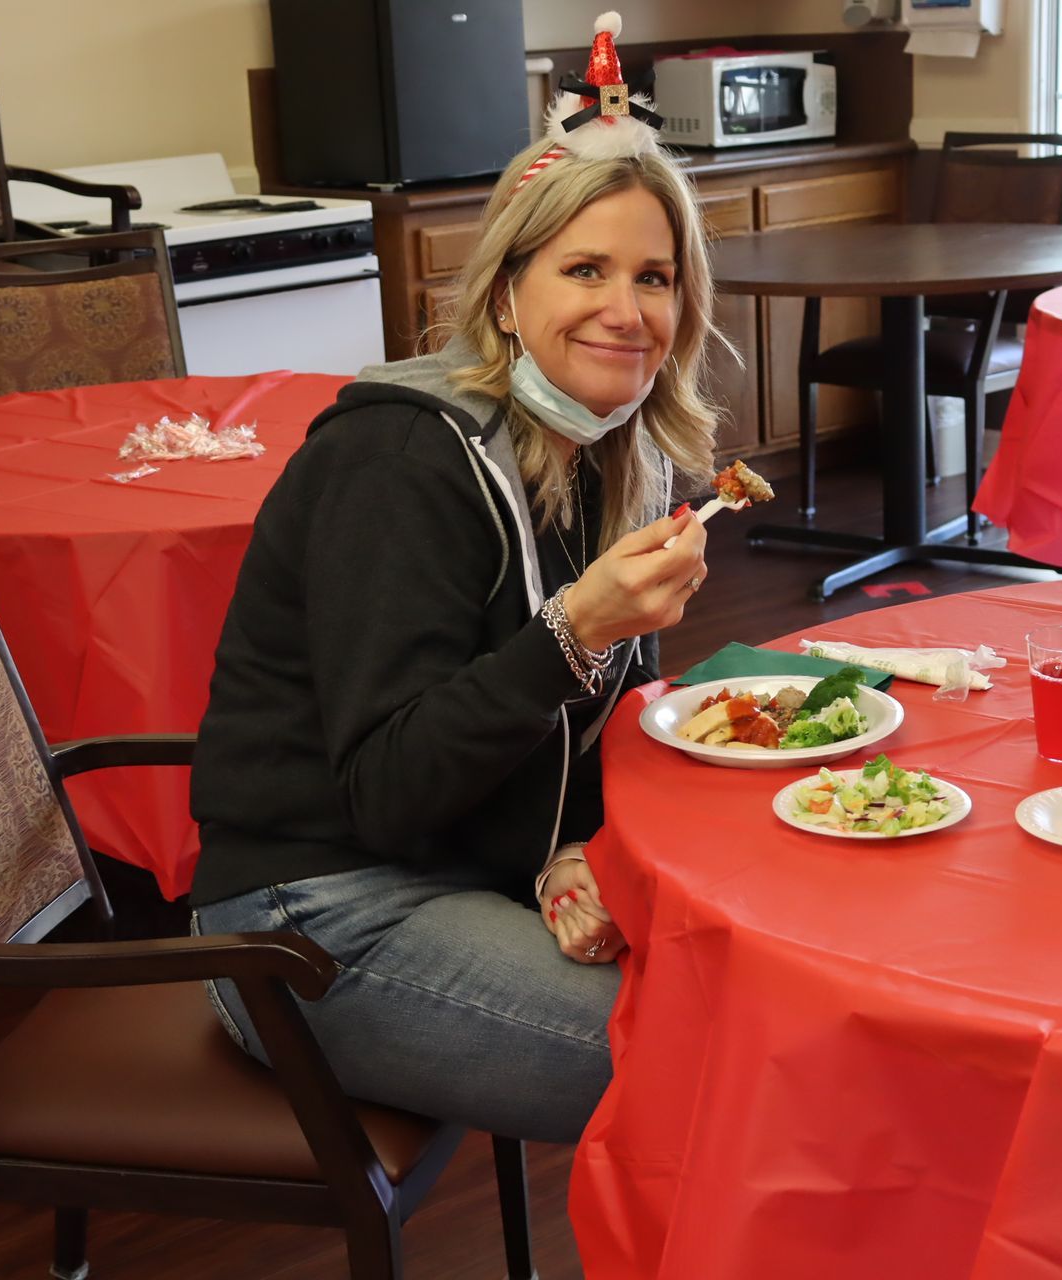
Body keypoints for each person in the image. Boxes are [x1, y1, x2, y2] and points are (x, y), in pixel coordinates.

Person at [188, 12, 726, 1144]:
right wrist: (573, 629)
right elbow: (389, 790)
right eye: (584, 268)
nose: (625, 312)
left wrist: (590, 844)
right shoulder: (399, 458)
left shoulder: (613, 452)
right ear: (503, 292)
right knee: (726, 1070)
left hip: (480, 861)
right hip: (311, 917)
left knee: (766, 1001)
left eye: (655, 277)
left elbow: (608, 714)